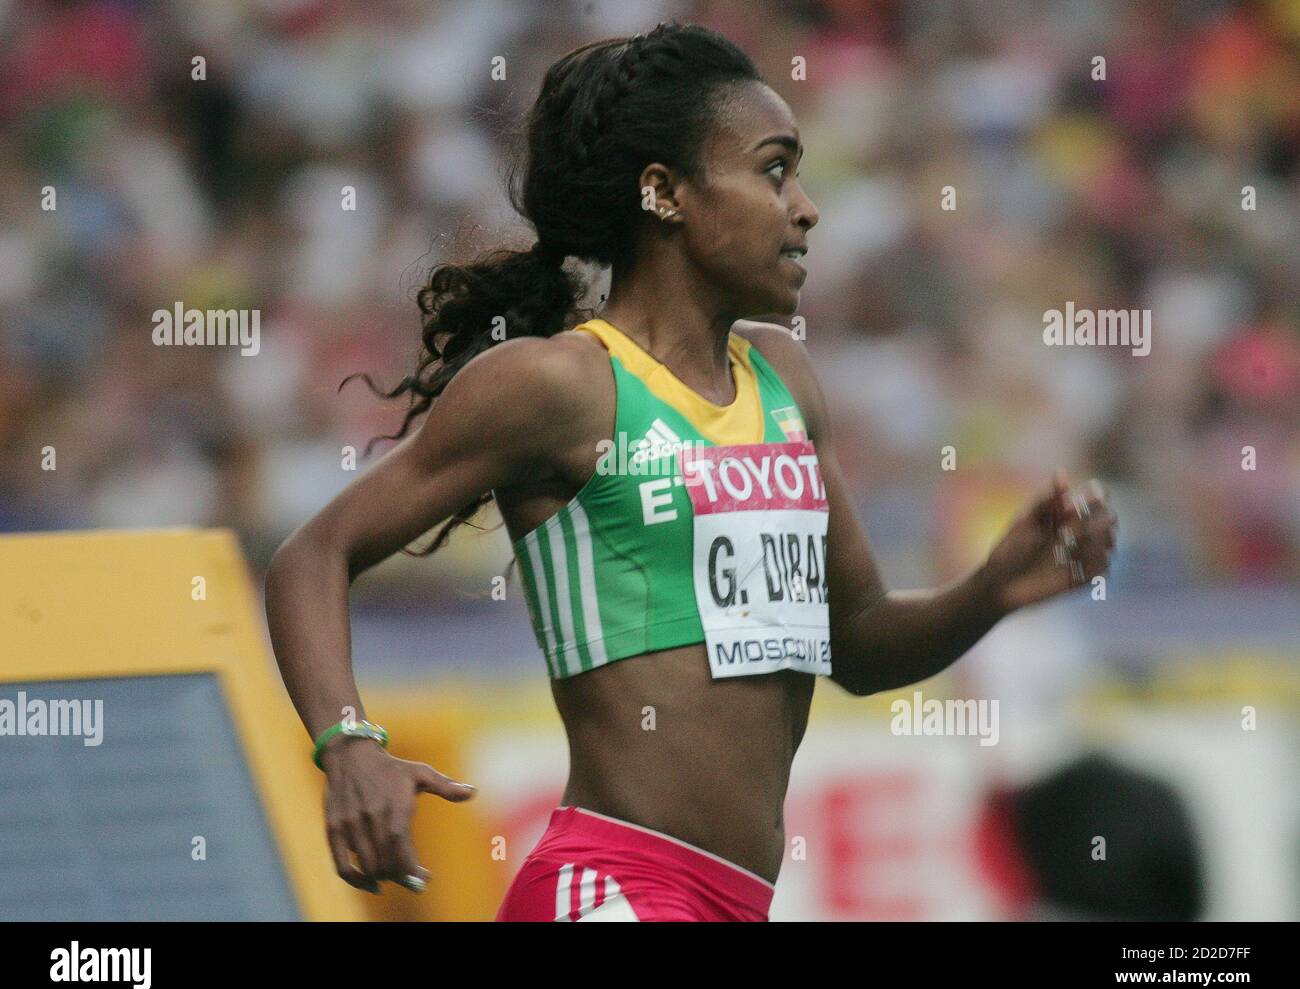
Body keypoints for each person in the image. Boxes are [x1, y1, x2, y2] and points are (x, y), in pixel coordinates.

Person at [263, 21, 1118, 922]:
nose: (807, 206)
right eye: (774, 169)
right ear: (665, 193)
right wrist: (349, 745)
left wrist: (992, 587)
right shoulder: (561, 385)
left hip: (734, 903)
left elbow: (858, 642)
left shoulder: (784, 378)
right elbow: (313, 556)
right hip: (614, 886)